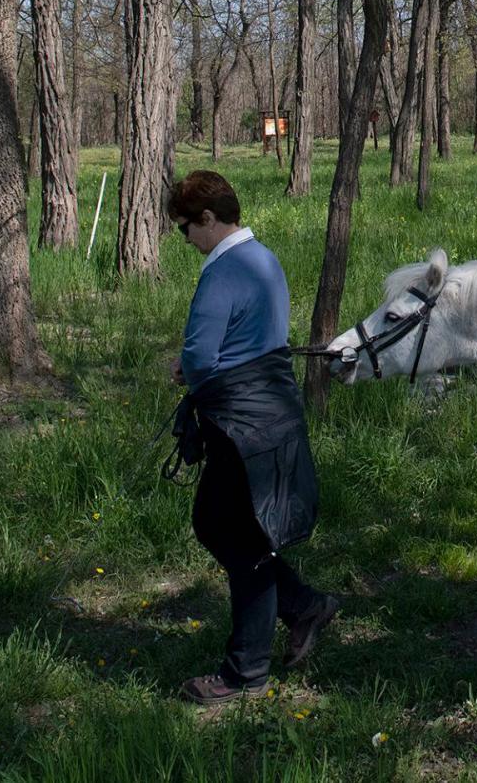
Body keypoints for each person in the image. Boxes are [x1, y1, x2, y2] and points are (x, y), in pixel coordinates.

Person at [167, 170, 339, 705]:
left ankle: (245, 674)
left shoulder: (222, 271)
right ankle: (305, 605)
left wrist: (184, 369)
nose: (186, 241)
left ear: (209, 220)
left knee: (240, 538)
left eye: (185, 229)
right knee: (224, 525)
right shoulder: (263, 257)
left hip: (238, 423)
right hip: (272, 413)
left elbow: (200, 356)